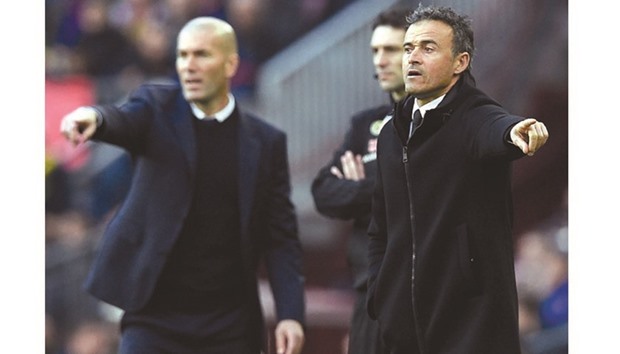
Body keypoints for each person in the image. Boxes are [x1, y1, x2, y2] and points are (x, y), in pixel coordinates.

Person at [60, 17, 305, 354]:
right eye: (182, 55)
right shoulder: (156, 106)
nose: (188, 65)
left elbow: (280, 237)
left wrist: (291, 314)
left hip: (229, 322)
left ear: (231, 63)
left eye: (202, 55)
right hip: (155, 315)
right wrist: (96, 118)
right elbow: (124, 118)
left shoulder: (265, 142)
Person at [365, 5, 549, 354]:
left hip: (471, 330)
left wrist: (515, 132)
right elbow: (380, 227)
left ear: (460, 62)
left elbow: (494, 129)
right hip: (402, 329)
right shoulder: (391, 133)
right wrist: (381, 293)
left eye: (428, 48)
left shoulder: (474, 117)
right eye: (408, 48)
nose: (413, 58)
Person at [310, 8, 409, 354]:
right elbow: (323, 193)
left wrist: (361, 184)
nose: (380, 60)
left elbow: (422, 188)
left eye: (391, 50)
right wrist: (382, 185)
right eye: (375, 51)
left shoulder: (444, 123)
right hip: (368, 294)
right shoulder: (364, 124)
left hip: (421, 297)